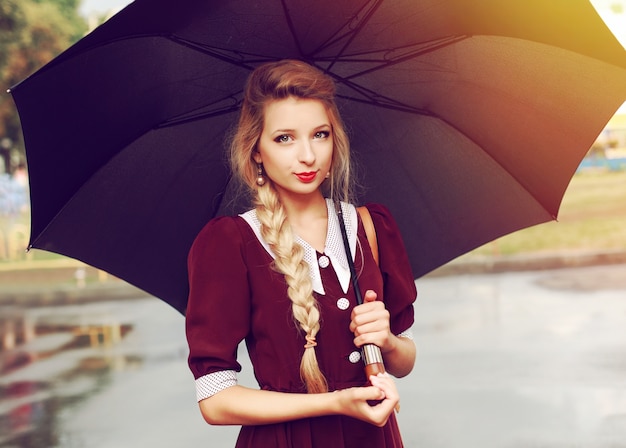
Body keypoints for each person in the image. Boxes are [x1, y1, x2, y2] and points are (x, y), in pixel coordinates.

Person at [186, 59, 417, 447]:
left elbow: (405, 362)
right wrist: (334, 403)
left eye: (320, 134)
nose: (308, 155)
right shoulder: (232, 242)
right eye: (284, 138)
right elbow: (214, 400)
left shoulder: (370, 227)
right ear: (256, 150)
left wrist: (389, 341)